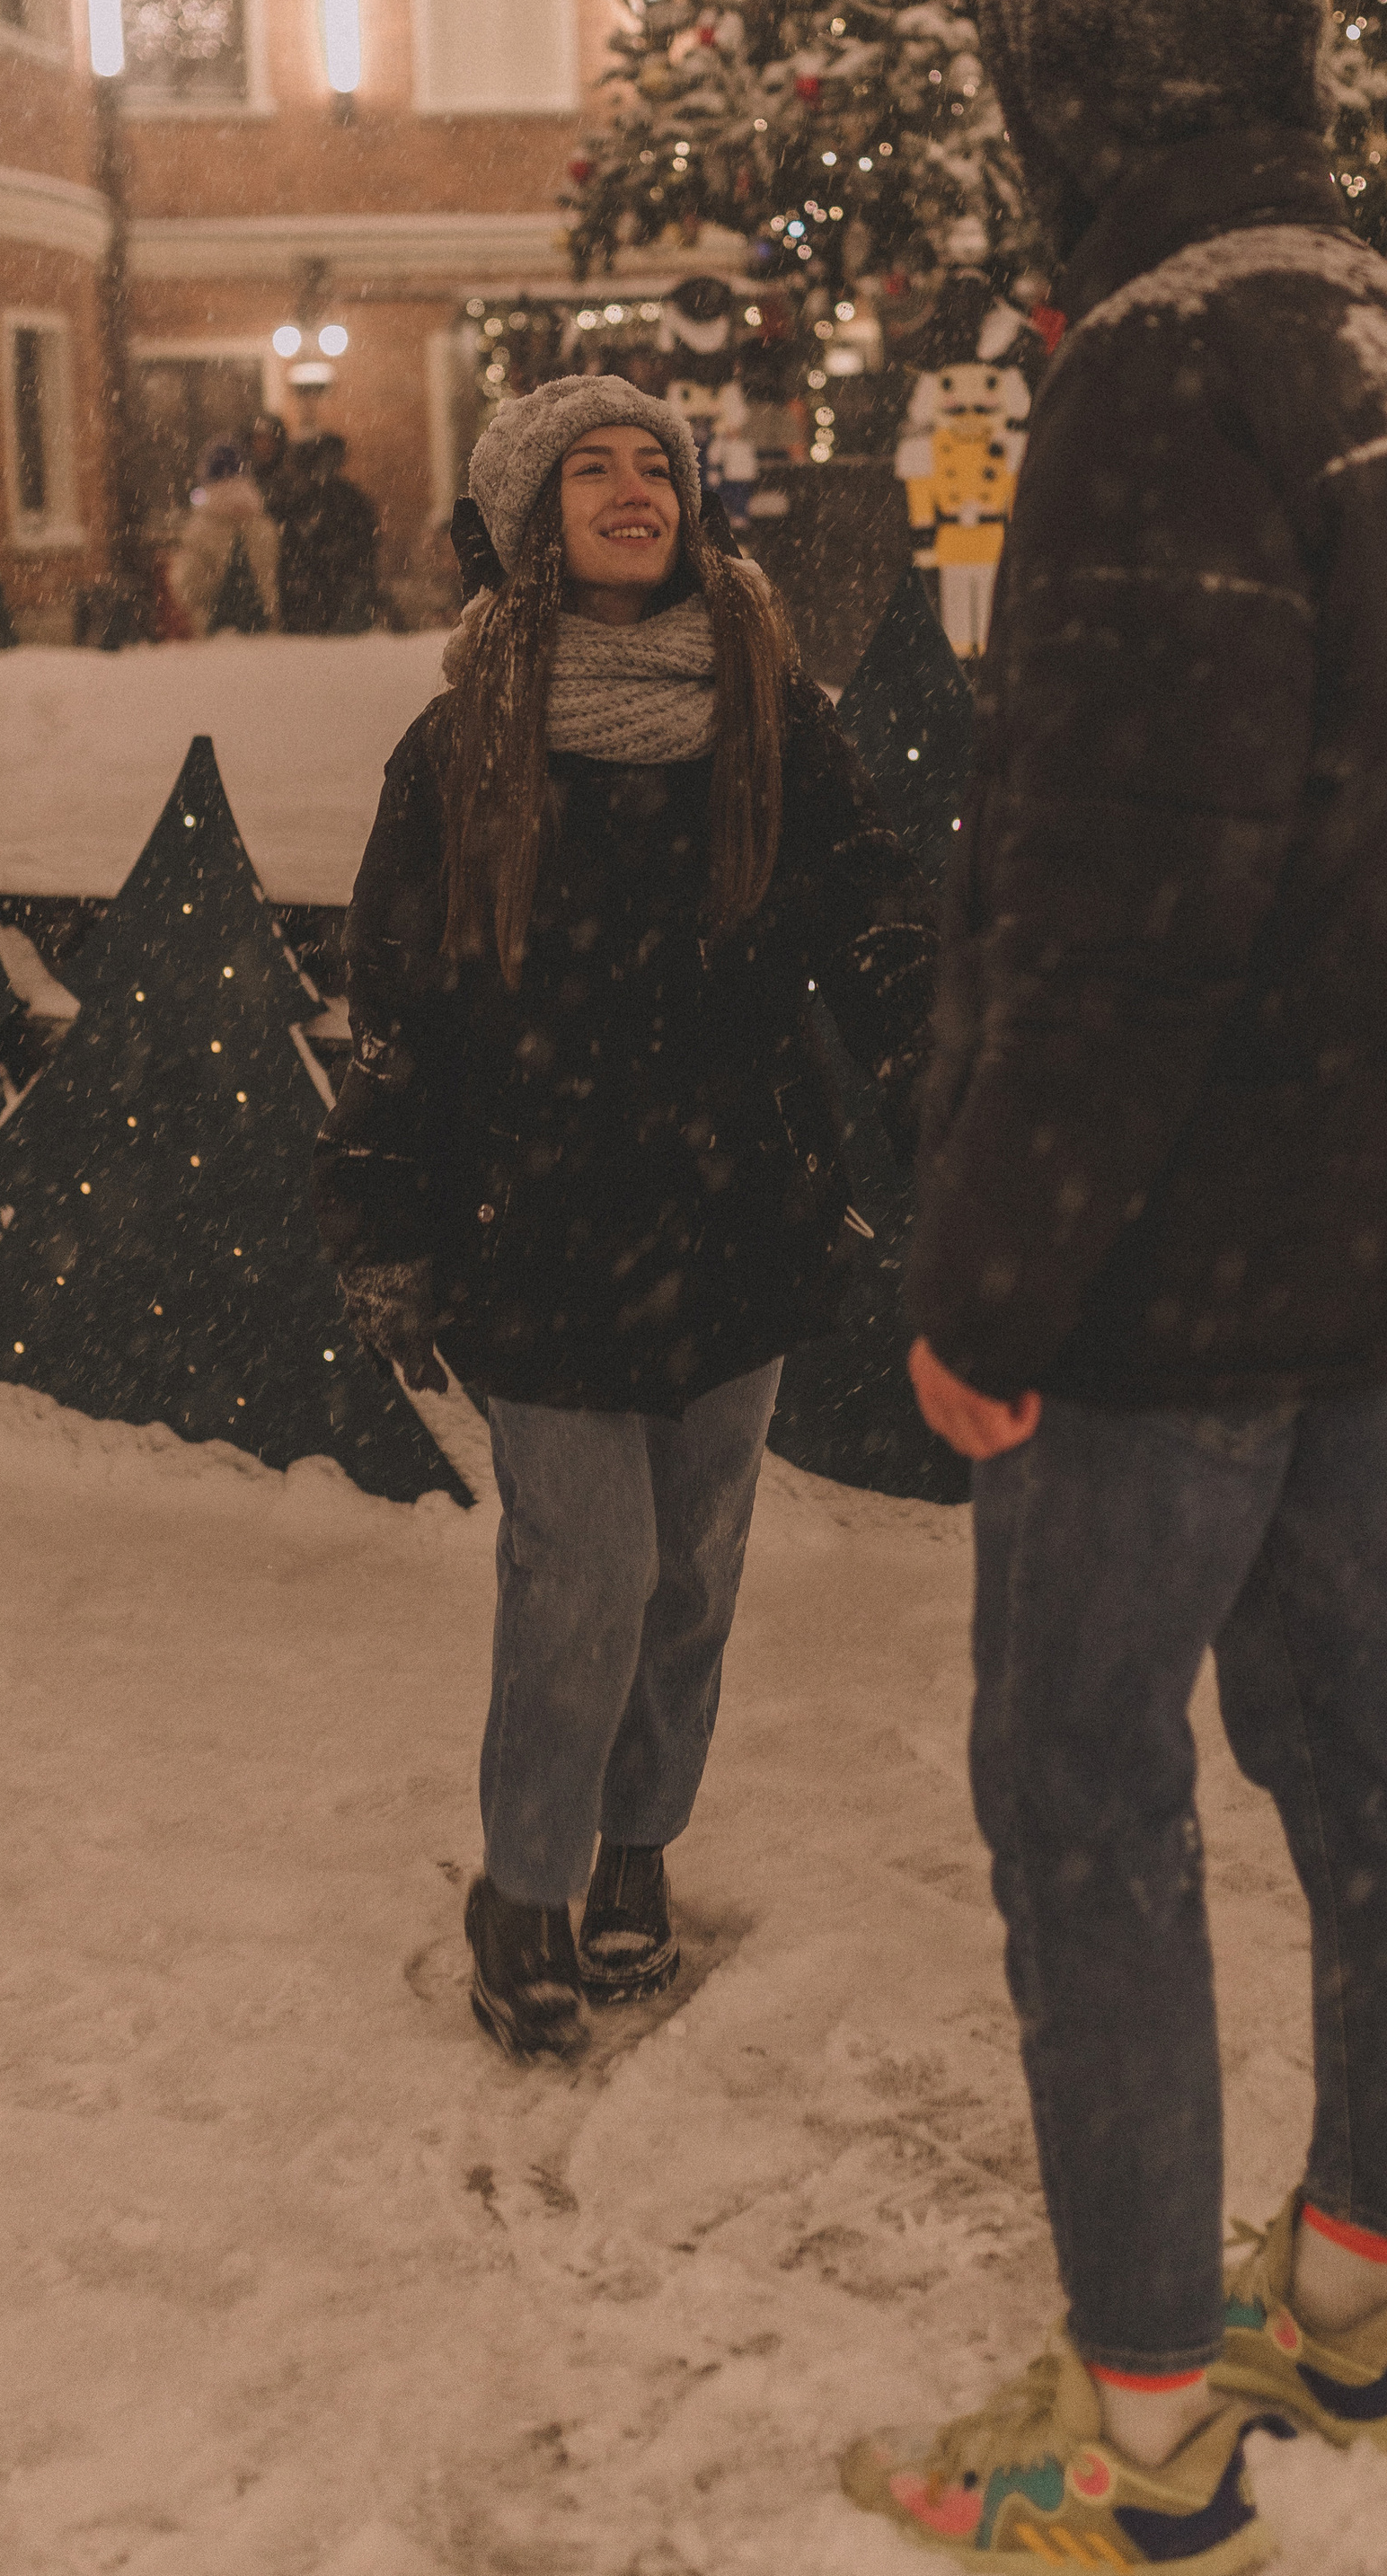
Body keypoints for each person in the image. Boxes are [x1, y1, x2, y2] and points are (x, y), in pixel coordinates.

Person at [844, 0, 1387, 2572]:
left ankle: (1138, 2423)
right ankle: (1357, 2276)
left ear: (1066, 103)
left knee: (1078, 1783)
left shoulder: (1155, 369)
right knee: (1356, 1736)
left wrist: (994, 1272)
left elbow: (1128, 883)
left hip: (1167, 1267)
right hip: (1358, 1217)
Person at [314, 375, 933, 2060]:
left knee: (693, 1578)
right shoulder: (463, 745)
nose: (629, 485)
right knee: (585, 1565)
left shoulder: (777, 721)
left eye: (651, 461)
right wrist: (385, 1212)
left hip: (736, 1211)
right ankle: (523, 1888)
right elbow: (396, 997)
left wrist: (939, 1086)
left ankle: (635, 1851)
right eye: (588, 467)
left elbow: (870, 931)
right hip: (538, 1219)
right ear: (530, 521)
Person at [169, 439, 281, 633]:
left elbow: (185, 584)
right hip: (263, 631)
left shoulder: (200, 528)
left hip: (216, 632)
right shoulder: (264, 524)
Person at [276, 434, 381, 633]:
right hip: (317, 594)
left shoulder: (345, 498)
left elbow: (367, 542)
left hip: (331, 592)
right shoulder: (296, 498)